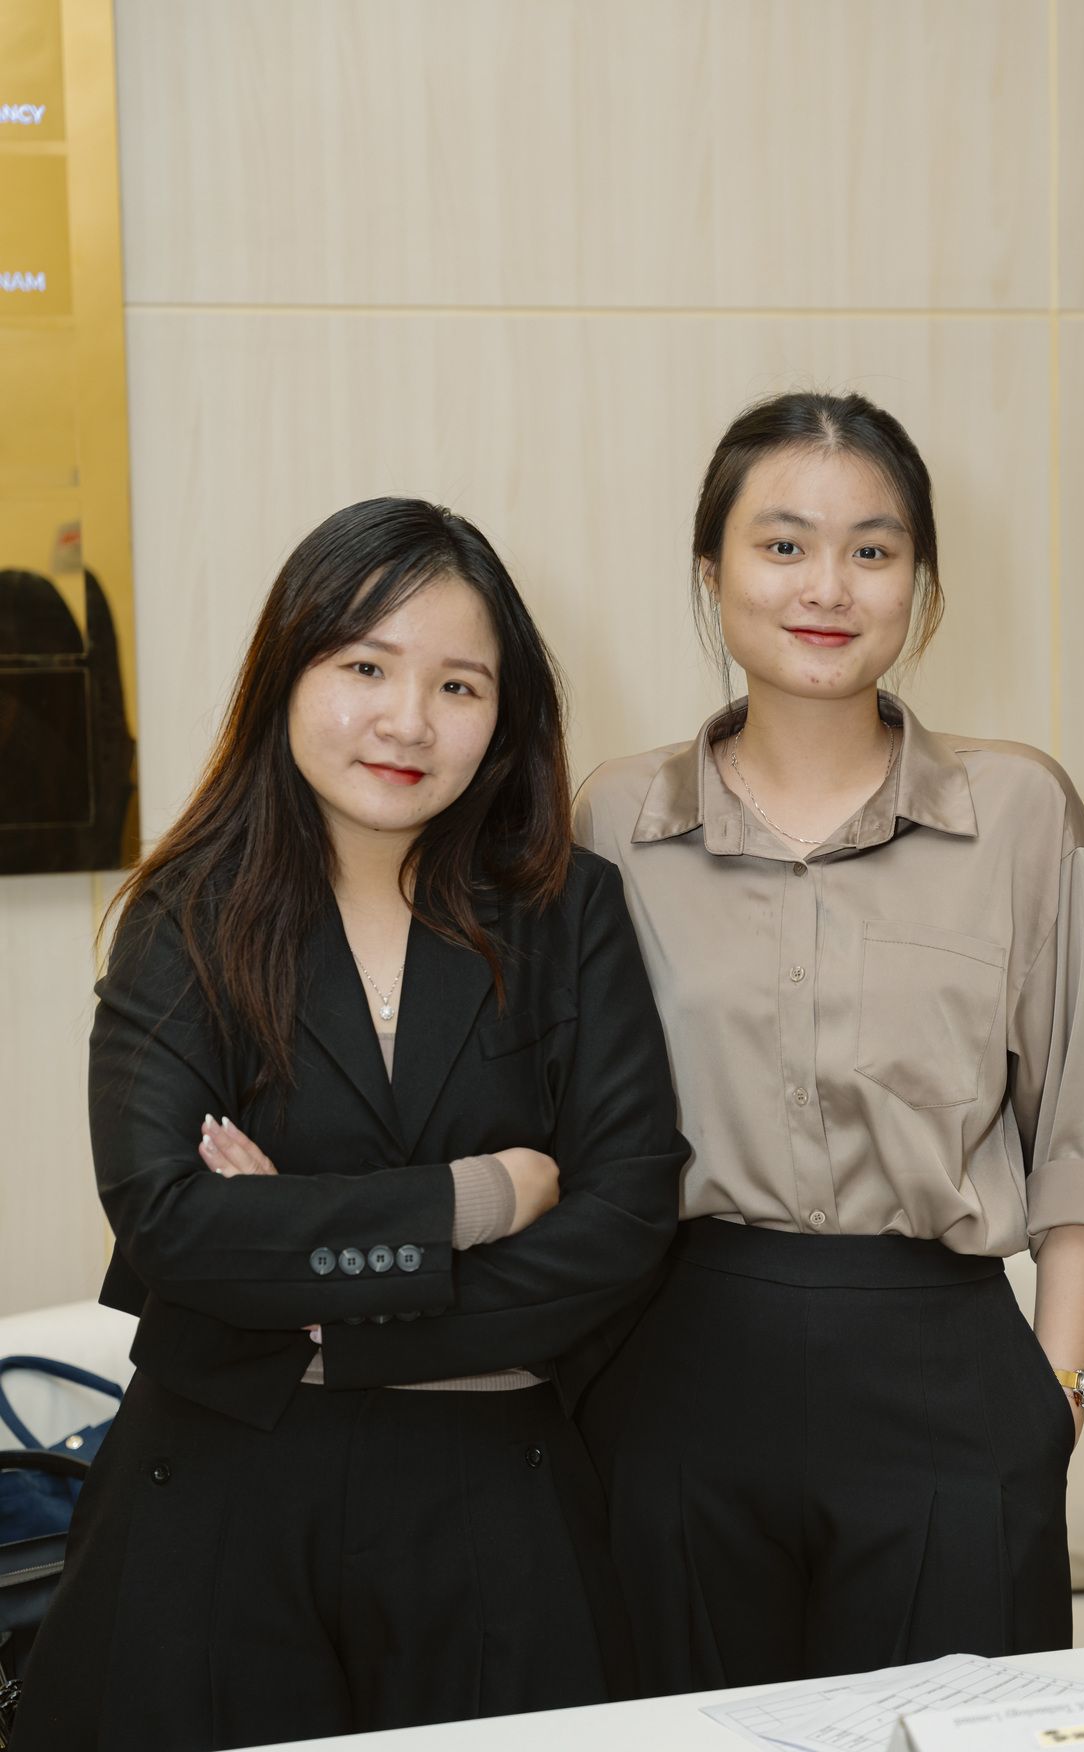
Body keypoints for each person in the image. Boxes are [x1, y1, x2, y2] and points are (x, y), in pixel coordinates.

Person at [13, 497, 687, 1751]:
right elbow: (169, 1224)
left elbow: (627, 1216)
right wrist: (479, 1198)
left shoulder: (567, 912)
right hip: (214, 1507)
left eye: (458, 685)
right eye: (365, 667)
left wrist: (318, 1296)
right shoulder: (187, 913)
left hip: (496, 1512)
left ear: (506, 715)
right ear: (288, 671)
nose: (407, 720)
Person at [574, 391, 1084, 1691]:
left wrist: (1055, 1397)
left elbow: (1080, 1143)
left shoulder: (1021, 811)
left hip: (947, 1377)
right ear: (711, 570)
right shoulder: (617, 819)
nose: (827, 586)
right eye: (783, 544)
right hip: (675, 1376)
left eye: (872, 549)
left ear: (919, 585)